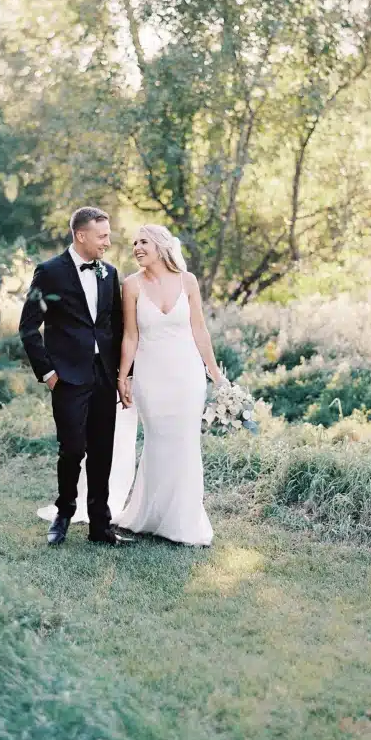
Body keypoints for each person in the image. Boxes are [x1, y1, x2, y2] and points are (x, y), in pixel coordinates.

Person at [18, 206, 131, 547]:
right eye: (102, 236)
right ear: (81, 235)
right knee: (72, 449)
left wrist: (124, 375)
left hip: (103, 376)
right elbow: (27, 327)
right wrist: (49, 373)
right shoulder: (50, 272)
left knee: (102, 451)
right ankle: (64, 512)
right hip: (67, 377)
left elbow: (117, 325)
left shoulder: (109, 273)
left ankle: (101, 526)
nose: (108, 242)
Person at [114, 224, 223, 546]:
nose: (136, 247)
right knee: (158, 442)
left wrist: (215, 373)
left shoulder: (188, 281)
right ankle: (148, 515)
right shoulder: (131, 286)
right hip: (150, 376)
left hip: (187, 375)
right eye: (134, 243)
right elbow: (130, 336)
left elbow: (199, 330)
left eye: (143, 241)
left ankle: (183, 521)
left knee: (185, 444)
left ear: (161, 245)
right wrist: (123, 377)